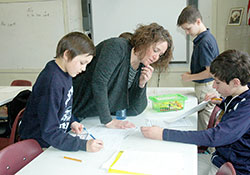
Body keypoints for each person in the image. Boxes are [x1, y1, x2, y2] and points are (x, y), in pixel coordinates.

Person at [141, 49, 250, 175]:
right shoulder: (240, 93)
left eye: (218, 82)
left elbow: (214, 137)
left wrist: (163, 133)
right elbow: (236, 109)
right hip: (221, 158)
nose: (214, 86)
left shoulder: (247, 109)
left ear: (235, 82)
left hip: (233, 168)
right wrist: (222, 102)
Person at [73, 23, 173, 129]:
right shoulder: (117, 46)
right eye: (155, 50)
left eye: (160, 54)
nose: (156, 57)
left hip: (92, 118)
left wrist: (141, 84)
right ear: (145, 41)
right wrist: (108, 121)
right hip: (76, 111)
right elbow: (99, 82)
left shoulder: (141, 65)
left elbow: (135, 110)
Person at [20, 32, 103, 152]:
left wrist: (72, 121)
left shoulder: (65, 72)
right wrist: (82, 145)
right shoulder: (52, 82)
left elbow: (63, 107)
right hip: (39, 145)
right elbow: (49, 131)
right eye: (82, 63)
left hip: (53, 140)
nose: (84, 69)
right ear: (67, 54)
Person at [177, 6, 219, 130]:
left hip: (206, 87)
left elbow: (210, 72)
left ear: (198, 22)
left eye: (188, 29)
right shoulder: (207, 38)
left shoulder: (204, 42)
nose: (187, 33)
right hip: (207, 86)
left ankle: (211, 150)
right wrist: (193, 72)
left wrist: (189, 77)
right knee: (204, 122)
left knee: (206, 124)